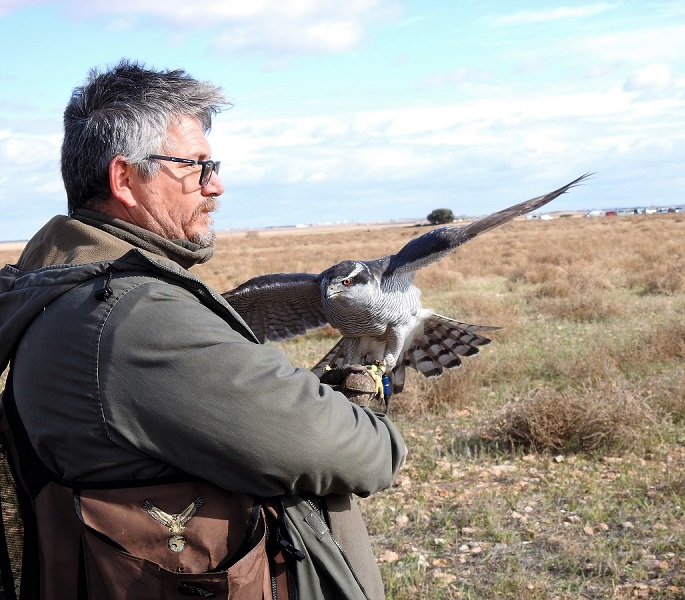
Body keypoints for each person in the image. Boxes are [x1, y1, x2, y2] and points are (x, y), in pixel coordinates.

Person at [0, 60, 406, 600]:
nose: (216, 186)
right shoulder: (137, 319)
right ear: (124, 179)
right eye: (196, 166)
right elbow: (360, 454)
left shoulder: (60, 289)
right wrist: (363, 405)